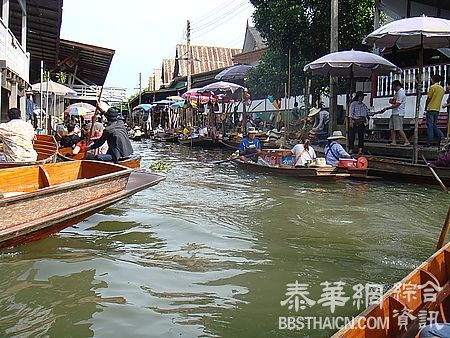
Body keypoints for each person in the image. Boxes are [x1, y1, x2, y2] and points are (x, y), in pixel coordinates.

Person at [383, 80, 410, 146]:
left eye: (394, 87)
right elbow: (393, 101)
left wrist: (388, 108)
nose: (394, 88)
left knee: (399, 128)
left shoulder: (401, 93)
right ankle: (393, 141)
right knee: (392, 128)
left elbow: (397, 104)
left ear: (397, 86)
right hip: (394, 112)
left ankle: (406, 141)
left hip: (398, 112)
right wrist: (392, 101)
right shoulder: (397, 93)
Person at [425, 74, 445, 146]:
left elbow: (429, 98)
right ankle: (442, 137)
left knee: (430, 126)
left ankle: (430, 141)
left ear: (433, 79)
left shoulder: (432, 87)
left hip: (431, 108)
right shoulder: (442, 89)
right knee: (433, 125)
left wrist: (425, 106)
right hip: (437, 108)